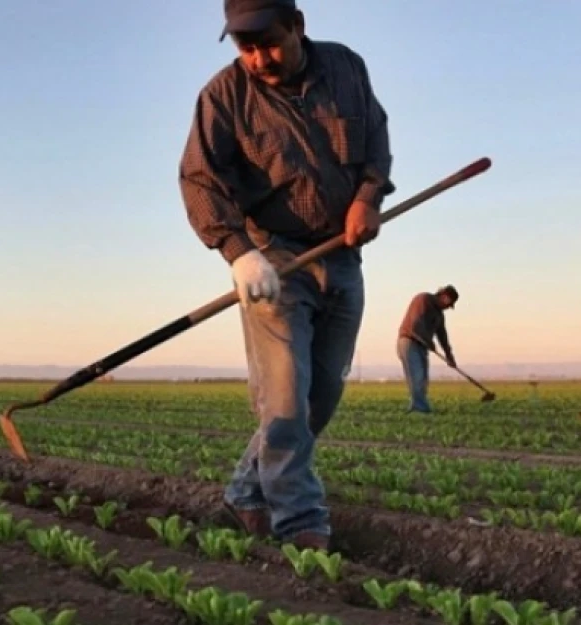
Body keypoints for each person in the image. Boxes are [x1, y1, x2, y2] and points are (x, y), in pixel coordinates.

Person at [178, 0, 394, 551]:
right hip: (273, 257)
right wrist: (238, 251)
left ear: (298, 25)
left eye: (268, 42)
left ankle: (246, 492)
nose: (258, 58)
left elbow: (375, 136)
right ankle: (299, 522)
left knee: (321, 395)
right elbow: (199, 179)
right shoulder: (223, 97)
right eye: (245, 47)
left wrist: (368, 196)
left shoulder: (346, 67)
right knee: (285, 397)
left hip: (342, 253)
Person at [396, 286, 458, 413]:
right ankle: (421, 409)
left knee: (423, 379)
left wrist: (449, 355)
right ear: (444, 296)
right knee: (416, 377)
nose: (448, 307)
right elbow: (416, 323)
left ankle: (417, 407)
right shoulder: (423, 299)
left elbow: (442, 336)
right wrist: (429, 342)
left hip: (422, 346)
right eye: (449, 304)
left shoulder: (439, 315)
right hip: (409, 342)